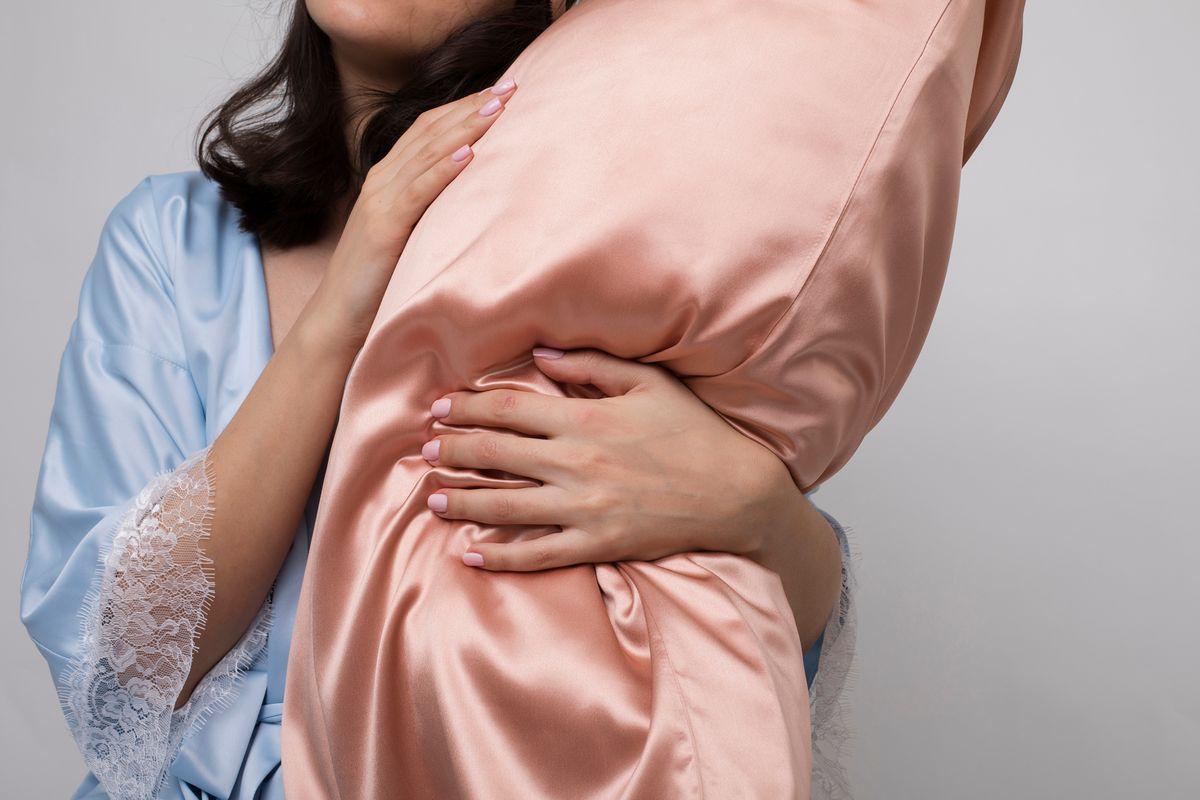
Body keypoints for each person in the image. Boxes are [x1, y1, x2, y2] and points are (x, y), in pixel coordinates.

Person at [20, 1, 852, 797]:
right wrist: (345, 299)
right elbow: (126, 661)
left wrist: (757, 507)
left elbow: (738, 651)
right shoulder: (172, 239)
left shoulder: (615, 251)